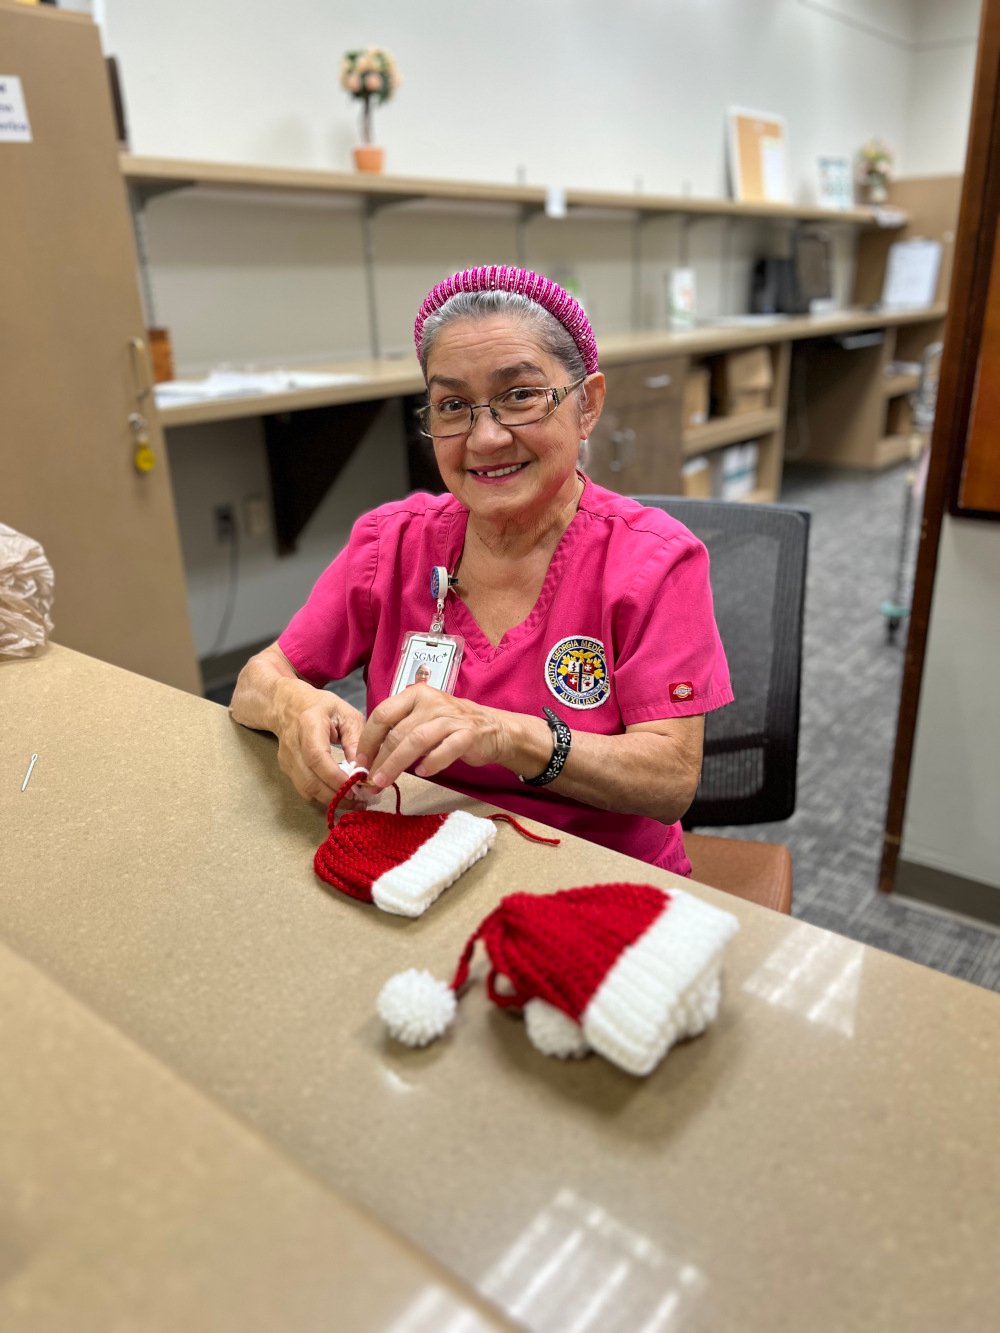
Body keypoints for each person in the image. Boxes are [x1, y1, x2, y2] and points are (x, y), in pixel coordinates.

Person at [230, 265, 732, 876]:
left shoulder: (655, 562)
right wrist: (292, 708)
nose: (486, 437)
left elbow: (669, 780)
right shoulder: (391, 544)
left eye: (520, 395)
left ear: (587, 406)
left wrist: (506, 735)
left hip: (598, 872)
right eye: (453, 406)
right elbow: (257, 680)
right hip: (424, 855)